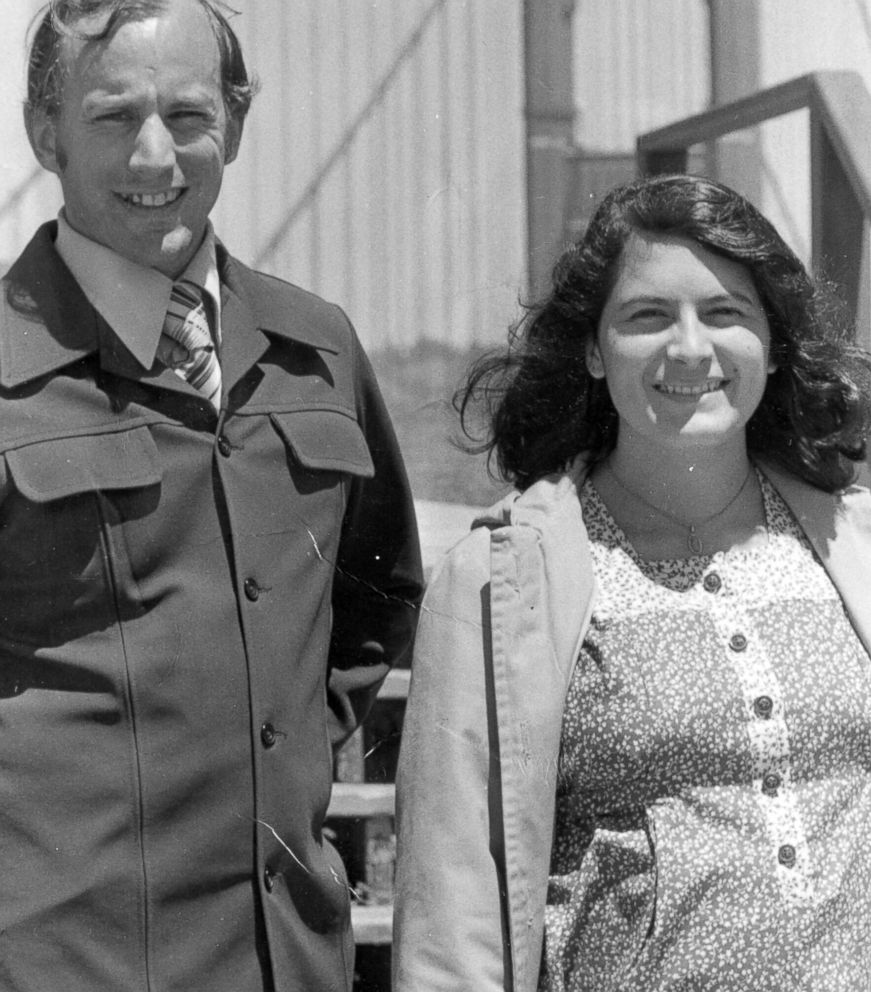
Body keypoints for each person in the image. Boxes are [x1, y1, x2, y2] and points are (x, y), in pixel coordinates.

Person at [3, 1, 422, 990]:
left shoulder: (316, 348)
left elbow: (376, 596)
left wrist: (277, 753)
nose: (156, 156)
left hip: (287, 956)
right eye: (113, 116)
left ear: (235, 119)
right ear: (43, 131)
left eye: (188, 115)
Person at [392, 173, 871, 991]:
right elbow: (451, 907)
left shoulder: (851, 539)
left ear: (771, 341)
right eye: (647, 317)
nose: (691, 349)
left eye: (726, 313)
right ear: (590, 346)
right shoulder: (499, 582)